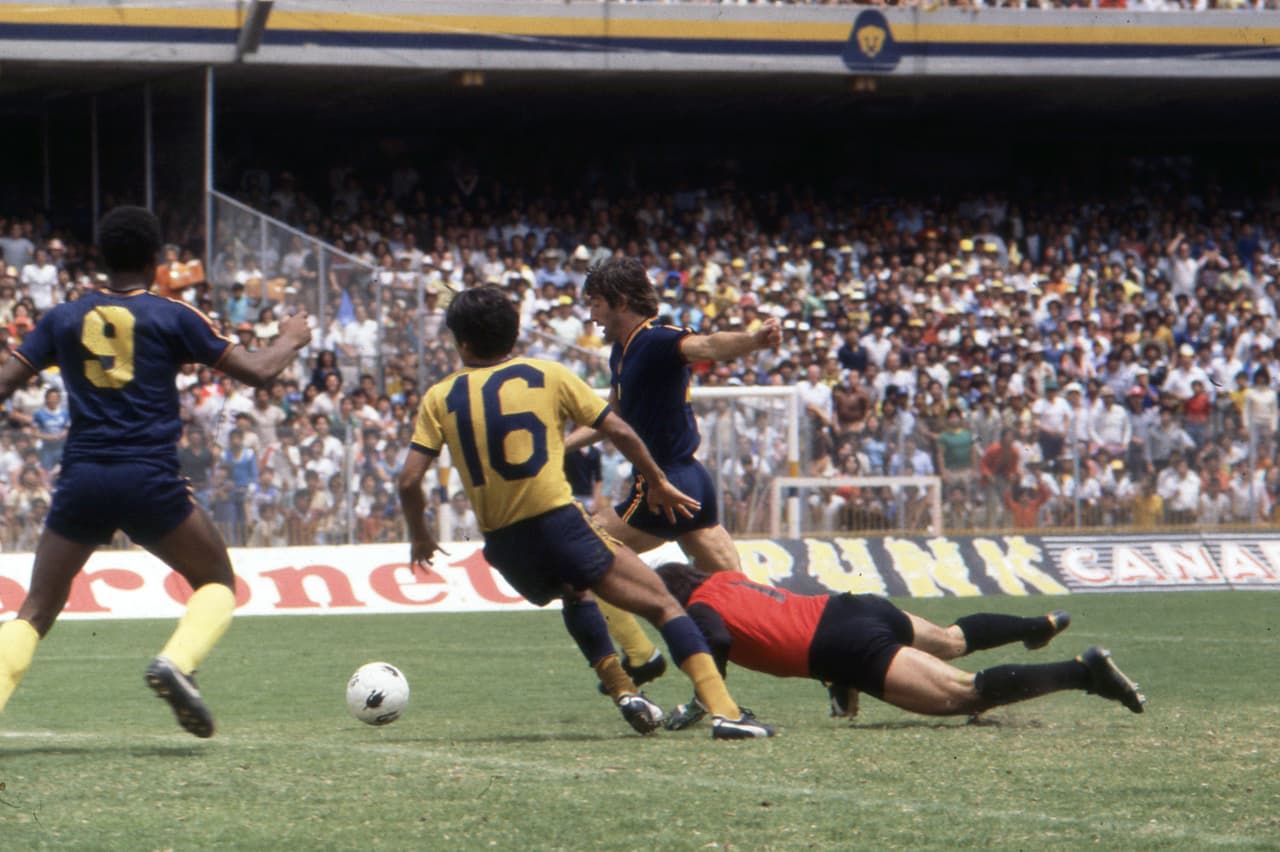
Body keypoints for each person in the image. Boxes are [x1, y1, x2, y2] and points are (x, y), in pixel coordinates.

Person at [398, 285, 774, 739]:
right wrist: (657, 481)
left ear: (461, 342)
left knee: (575, 593)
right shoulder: (548, 374)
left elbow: (409, 480)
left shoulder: (439, 397)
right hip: (559, 524)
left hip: (504, 547)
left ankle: (625, 688)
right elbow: (620, 430)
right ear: (514, 334)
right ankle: (725, 712)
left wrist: (419, 535)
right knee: (662, 603)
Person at [0, 206, 312, 738]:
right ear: (155, 260)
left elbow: (5, 382)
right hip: (148, 476)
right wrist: (290, 338)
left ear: (101, 258)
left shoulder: (61, 317)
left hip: (83, 477)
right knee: (216, 581)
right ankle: (177, 664)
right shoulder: (173, 315)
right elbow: (259, 371)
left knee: (36, 609)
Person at [566, 256, 781, 688]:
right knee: (741, 597)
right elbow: (613, 418)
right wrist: (560, 447)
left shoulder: (656, 339)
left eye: (596, 303)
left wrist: (754, 340)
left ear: (620, 301)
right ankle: (824, 649)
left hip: (663, 485)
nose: (591, 314)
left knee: (578, 556)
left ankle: (641, 656)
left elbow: (708, 346)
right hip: (691, 480)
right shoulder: (622, 350)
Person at [654, 563, 1145, 730]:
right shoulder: (724, 580)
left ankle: (1085, 673)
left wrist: (704, 701)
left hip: (844, 645)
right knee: (951, 640)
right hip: (851, 607)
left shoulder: (698, 608)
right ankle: (1033, 626)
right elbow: (773, 623)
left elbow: (717, 639)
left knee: (963, 695)